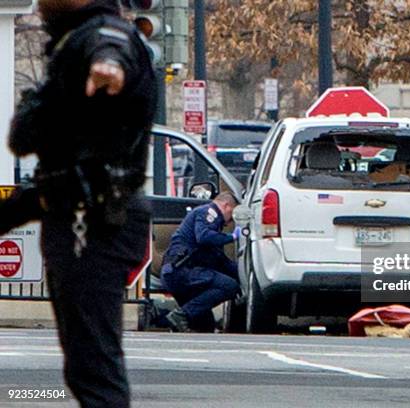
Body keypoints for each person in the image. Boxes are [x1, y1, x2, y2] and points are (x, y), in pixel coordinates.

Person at [6, 0, 157, 406]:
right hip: (71, 209)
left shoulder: (104, 35)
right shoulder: (71, 41)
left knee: (94, 370)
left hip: (92, 220)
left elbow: (111, 49)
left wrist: (108, 65)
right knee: (84, 367)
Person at [161, 192, 241, 332]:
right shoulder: (209, 212)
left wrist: (242, 273)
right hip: (182, 272)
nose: (231, 221)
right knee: (229, 286)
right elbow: (203, 237)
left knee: (205, 326)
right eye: (232, 213)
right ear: (226, 205)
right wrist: (232, 237)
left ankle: (179, 321)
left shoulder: (214, 226)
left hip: (183, 274)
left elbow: (221, 261)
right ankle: (181, 314)